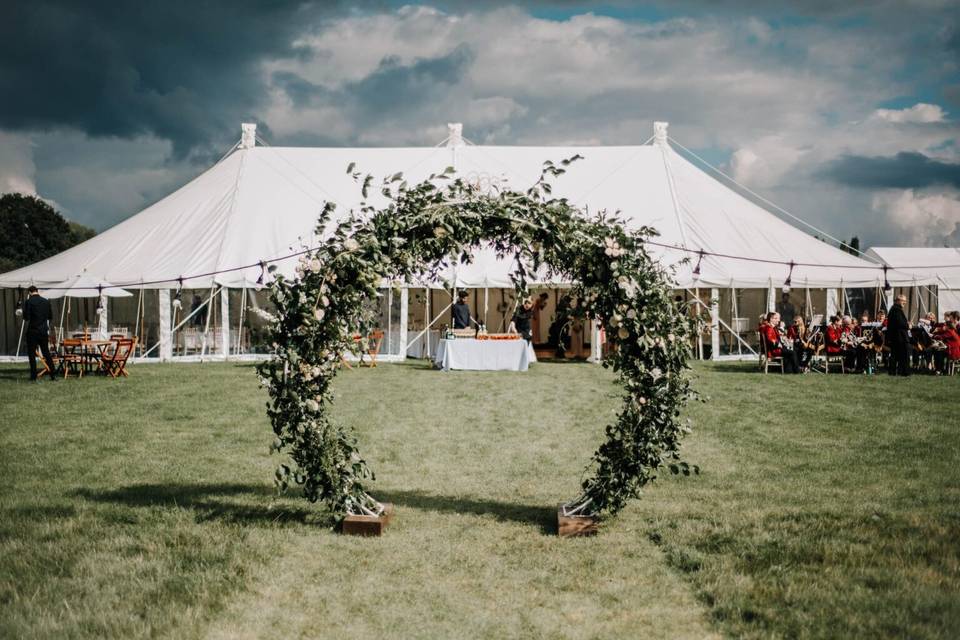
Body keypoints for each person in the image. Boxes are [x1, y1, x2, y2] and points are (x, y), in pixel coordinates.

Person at [21, 286, 58, 381]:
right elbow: (50, 316)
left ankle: (33, 376)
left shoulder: (29, 302)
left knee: (31, 353)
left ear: (29, 292)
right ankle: (53, 374)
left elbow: (26, 318)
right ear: (37, 291)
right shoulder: (46, 301)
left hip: (33, 331)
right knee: (46, 353)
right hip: (43, 331)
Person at [886, 294, 911, 376]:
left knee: (894, 355)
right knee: (904, 355)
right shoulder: (897, 310)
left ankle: (893, 372)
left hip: (895, 337)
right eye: (903, 301)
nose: (905, 302)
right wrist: (908, 326)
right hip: (900, 337)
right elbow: (900, 323)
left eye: (905, 301)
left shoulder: (894, 309)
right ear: (897, 301)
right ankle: (904, 372)